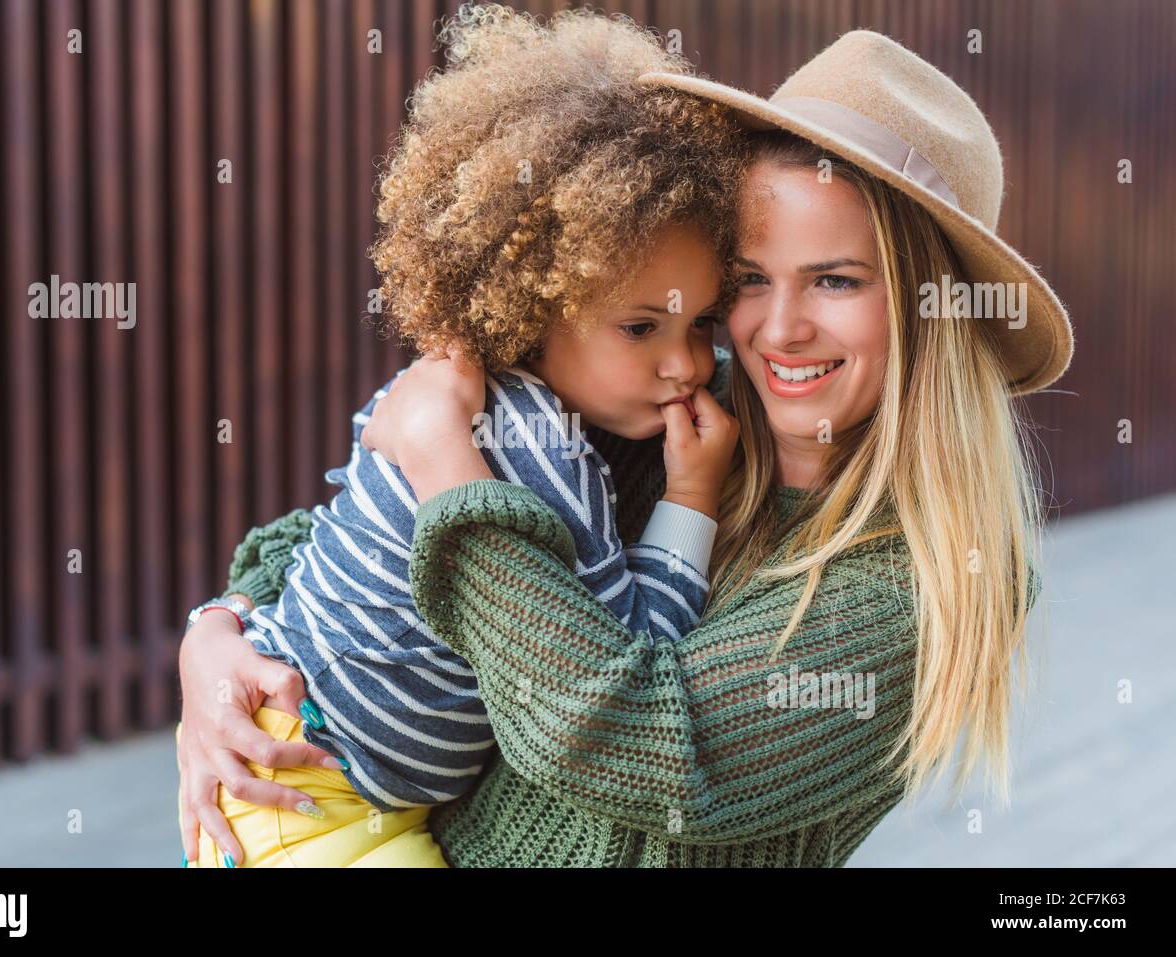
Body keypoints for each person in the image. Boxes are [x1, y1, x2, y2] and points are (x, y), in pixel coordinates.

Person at [178, 23, 1073, 868]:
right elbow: (360, 531)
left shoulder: (933, 569)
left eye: (835, 280)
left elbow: (628, 738)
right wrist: (220, 640)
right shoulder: (691, 417)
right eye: (752, 281)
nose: (780, 329)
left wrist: (451, 468)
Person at [176, 3, 747, 867]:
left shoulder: (439, 391)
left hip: (306, 756)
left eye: (702, 322)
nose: (687, 365)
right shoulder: (547, 455)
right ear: (531, 303)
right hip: (312, 791)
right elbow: (636, 650)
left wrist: (216, 625)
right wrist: (691, 497)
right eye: (641, 329)